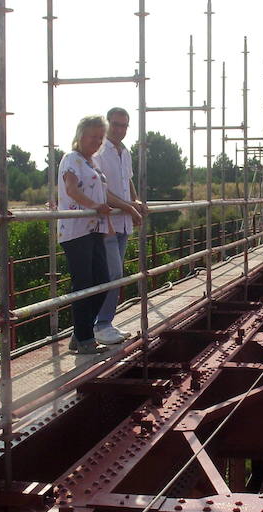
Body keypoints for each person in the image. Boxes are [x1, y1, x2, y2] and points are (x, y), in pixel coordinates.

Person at [58, 115, 114, 355]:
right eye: (93, 136)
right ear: (81, 136)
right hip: (76, 230)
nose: (97, 141)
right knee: (84, 283)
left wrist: (105, 220)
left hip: (94, 229)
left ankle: (80, 332)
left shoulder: (92, 163)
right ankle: (84, 338)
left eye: (101, 137)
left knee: (102, 281)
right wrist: (95, 207)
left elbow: (103, 196)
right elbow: (71, 190)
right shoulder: (72, 159)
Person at [92, 107, 145, 345]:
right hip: (106, 222)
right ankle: (100, 324)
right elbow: (101, 189)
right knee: (111, 273)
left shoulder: (124, 152)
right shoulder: (100, 152)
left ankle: (101, 323)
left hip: (122, 222)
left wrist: (136, 201)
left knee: (114, 272)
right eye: (116, 124)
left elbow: (128, 180)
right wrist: (128, 206)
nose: (120, 129)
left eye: (124, 125)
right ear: (107, 123)